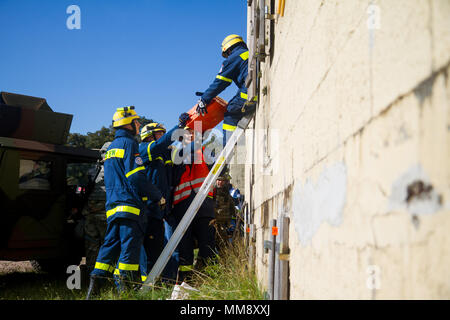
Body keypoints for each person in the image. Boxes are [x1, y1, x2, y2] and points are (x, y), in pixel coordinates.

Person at [86, 106, 164, 299]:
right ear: (128, 125)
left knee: (109, 248)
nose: (139, 125)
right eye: (136, 122)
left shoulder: (111, 147)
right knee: (129, 249)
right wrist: (157, 195)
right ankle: (125, 293)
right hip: (130, 207)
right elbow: (136, 177)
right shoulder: (129, 145)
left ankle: (93, 290)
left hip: (112, 208)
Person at [171, 126, 216, 282]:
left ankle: (206, 278)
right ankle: (185, 280)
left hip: (204, 205)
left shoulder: (205, 151)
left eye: (193, 133)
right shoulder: (176, 152)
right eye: (187, 133)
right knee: (185, 247)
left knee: (208, 244)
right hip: (182, 205)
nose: (191, 135)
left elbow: (217, 166)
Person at [195, 34, 257, 146]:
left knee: (231, 113)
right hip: (256, 90)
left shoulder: (234, 57)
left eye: (227, 54)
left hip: (248, 93)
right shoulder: (248, 54)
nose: (227, 56)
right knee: (236, 108)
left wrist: (204, 99)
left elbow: (220, 82)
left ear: (228, 49)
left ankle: (230, 148)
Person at [138, 121, 180, 281]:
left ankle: (161, 282)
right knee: (148, 251)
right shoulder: (144, 149)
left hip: (160, 209)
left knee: (161, 247)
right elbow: (162, 143)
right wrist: (179, 127)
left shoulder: (161, 155)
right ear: (149, 136)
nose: (162, 137)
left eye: (163, 133)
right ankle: (146, 284)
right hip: (148, 209)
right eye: (159, 134)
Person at [82, 142, 110, 275]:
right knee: (107, 243)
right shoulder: (112, 169)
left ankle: (91, 271)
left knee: (92, 243)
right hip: (103, 212)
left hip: (89, 211)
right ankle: (103, 274)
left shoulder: (93, 169)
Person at [212, 172, 238, 252]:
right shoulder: (212, 192)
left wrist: (231, 223)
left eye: (222, 181)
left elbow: (232, 210)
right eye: (218, 180)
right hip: (213, 224)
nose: (220, 182)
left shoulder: (226, 194)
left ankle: (222, 262)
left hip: (223, 225)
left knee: (223, 246)